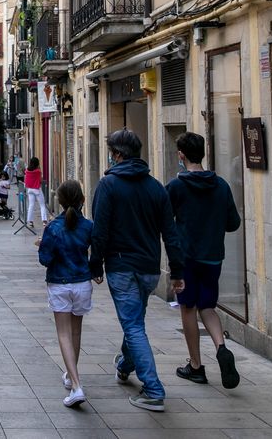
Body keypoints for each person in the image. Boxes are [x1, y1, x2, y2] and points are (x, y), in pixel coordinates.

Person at [89, 129, 186, 412]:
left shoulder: (108, 185)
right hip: (149, 269)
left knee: (132, 325)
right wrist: (177, 271)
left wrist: (95, 264)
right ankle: (125, 364)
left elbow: (100, 230)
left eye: (111, 152)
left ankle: (153, 389)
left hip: (121, 267)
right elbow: (171, 233)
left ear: (117, 155)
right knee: (135, 321)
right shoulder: (156, 187)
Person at [167, 132, 242, 390]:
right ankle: (221, 346)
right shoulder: (221, 185)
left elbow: (163, 219)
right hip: (213, 257)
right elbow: (233, 223)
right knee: (208, 307)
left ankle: (196, 366)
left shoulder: (176, 187)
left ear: (181, 155)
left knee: (187, 307)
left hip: (186, 258)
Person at [38, 180, 98, 408]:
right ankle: (70, 375)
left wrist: (42, 245)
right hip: (82, 282)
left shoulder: (52, 228)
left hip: (60, 284)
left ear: (61, 202)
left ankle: (76, 384)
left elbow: (45, 259)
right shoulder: (88, 226)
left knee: (63, 334)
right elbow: (95, 251)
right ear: (82, 201)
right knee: (75, 332)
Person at [24, 157, 49, 229]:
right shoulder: (38, 171)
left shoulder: (27, 171)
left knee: (31, 205)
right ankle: (44, 221)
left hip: (30, 190)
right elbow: (40, 180)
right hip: (37, 190)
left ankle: (30, 221)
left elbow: (26, 180)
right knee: (42, 205)